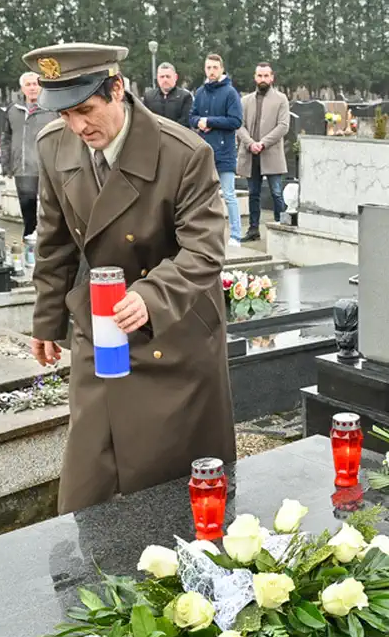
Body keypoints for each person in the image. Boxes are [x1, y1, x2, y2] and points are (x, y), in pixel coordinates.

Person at [26, 42, 235, 514]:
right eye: (64, 114)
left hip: (174, 332)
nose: (78, 126)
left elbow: (205, 248)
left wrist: (151, 295)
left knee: (174, 488)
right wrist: (46, 320)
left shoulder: (183, 153)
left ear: (117, 89)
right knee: (90, 478)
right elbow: (55, 241)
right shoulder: (55, 146)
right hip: (100, 328)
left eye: (85, 109)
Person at [189, 52, 243, 246]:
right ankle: (208, 233)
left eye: (214, 67)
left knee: (229, 194)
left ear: (221, 69)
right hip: (205, 150)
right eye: (208, 67)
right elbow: (192, 117)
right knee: (204, 195)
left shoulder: (230, 93)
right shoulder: (201, 92)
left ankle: (236, 234)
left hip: (224, 151)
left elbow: (236, 120)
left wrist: (210, 121)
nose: (211, 71)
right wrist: (199, 123)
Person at [235, 61, 290, 241]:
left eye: (266, 75)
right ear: (255, 77)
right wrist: (251, 143)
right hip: (251, 154)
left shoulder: (281, 99)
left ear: (272, 77)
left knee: (276, 192)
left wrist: (263, 143)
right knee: (254, 194)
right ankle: (253, 230)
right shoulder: (245, 101)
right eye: (260, 75)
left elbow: (283, 126)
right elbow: (239, 125)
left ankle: (281, 228)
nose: (263, 79)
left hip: (271, 153)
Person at [1, 71, 53, 239]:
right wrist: (6, 164)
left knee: (51, 210)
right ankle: (29, 245)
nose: (32, 88)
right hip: (23, 169)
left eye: (35, 84)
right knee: (27, 212)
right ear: (22, 88)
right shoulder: (13, 110)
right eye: (28, 85)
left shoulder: (52, 108)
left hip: (48, 169)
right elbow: (6, 137)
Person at [142, 61, 191, 127]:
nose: (165, 80)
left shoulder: (185, 97)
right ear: (157, 78)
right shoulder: (148, 97)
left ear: (176, 77)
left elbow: (185, 122)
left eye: (168, 76)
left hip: (177, 135)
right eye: (162, 77)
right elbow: (145, 121)